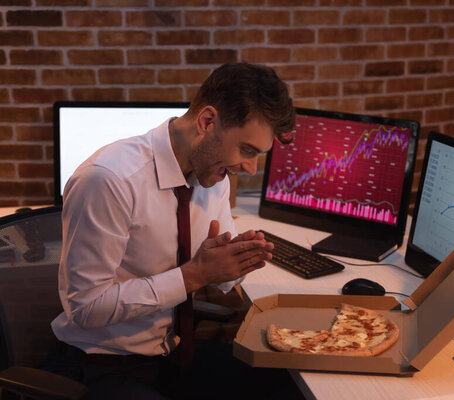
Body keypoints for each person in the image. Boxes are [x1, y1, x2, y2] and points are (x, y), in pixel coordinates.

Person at [44, 62, 301, 399]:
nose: (250, 169)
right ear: (207, 122)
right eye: (247, 151)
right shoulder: (109, 179)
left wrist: (233, 262)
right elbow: (86, 308)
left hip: (172, 355)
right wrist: (193, 276)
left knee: (289, 384)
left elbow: (219, 278)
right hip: (100, 365)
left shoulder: (214, 175)